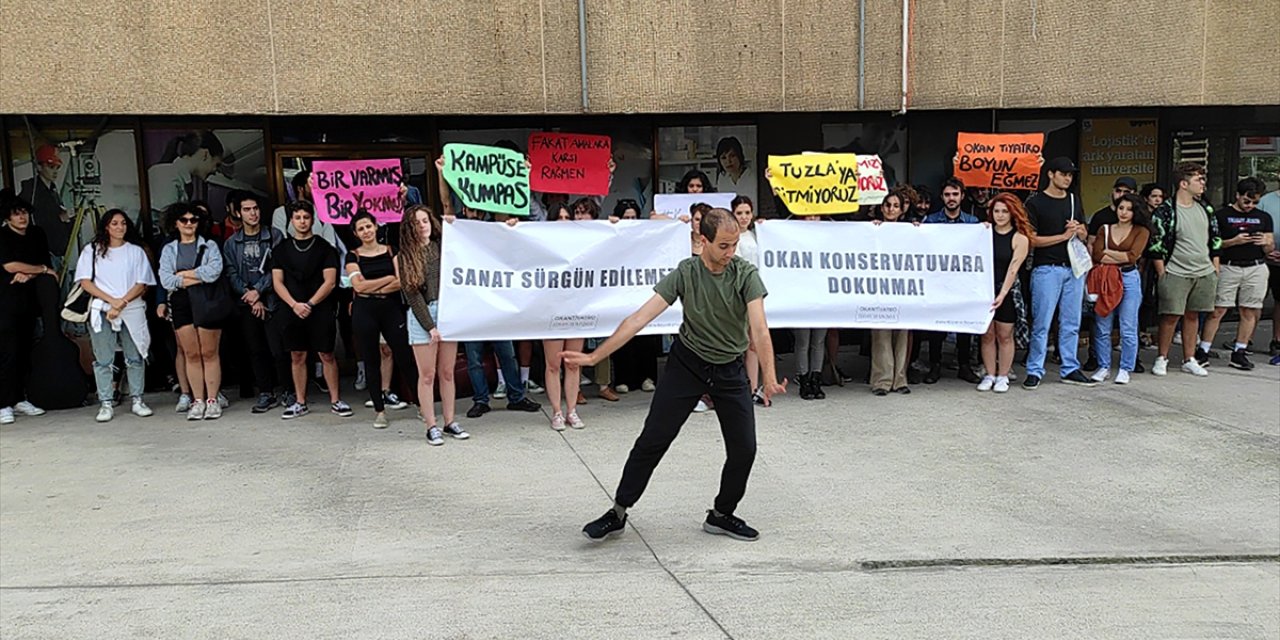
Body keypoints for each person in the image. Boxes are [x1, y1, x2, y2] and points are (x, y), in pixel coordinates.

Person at [571, 208, 786, 543]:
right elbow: (639, 319)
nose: (731, 253)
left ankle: (722, 514)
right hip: (687, 365)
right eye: (724, 246)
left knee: (744, 449)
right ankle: (618, 511)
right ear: (703, 241)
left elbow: (759, 329)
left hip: (729, 370)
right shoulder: (686, 273)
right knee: (652, 440)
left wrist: (769, 377)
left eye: (735, 245)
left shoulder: (746, 275)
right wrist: (595, 355)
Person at [434, 156, 542, 419]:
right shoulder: (457, 223)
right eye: (471, 205)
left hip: (496, 301)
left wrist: (523, 176)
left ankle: (516, 396)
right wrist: (441, 172)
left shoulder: (495, 222)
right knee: (474, 357)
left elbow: (513, 204)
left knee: (507, 353)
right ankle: (481, 400)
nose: (475, 209)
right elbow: (446, 202)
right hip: (470, 302)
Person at [75, 209, 156, 422]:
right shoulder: (91, 250)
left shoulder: (136, 251)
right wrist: (113, 302)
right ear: (106, 227)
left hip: (131, 308)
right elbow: (85, 282)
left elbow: (142, 282)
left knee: (135, 355)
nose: (119, 227)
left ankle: (137, 399)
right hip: (103, 309)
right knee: (103, 359)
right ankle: (106, 402)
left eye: (123, 223)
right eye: (114, 223)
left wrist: (122, 303)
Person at [271, 201, 351, 418]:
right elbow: (277, 282)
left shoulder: (326, 249)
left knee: (326, 353)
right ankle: (300, 401)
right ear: (291, 221)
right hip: (291, 308)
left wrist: (310, 304)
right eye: (298, 218)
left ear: (313, 220)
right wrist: (294, 304)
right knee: (297, 355)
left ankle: (336, 400)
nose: (302, 222)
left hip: (320, 308)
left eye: (306, 217)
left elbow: (330, 281)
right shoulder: (280, 250)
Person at [1022, 157, 1096, 389]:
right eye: (1063, 173)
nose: (1067, 178)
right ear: (1051, 174)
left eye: (1070, 174)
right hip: (1047, 269)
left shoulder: (1074, 200)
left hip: (1072, 269)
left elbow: (1085, 232)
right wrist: (1062, 237)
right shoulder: (1035, 203)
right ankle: (1034, 369)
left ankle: (1070, 367)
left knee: (1071, 322)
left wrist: (1080, 231)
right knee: (1042, 322)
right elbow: (1031, 239)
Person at [398, 204, 467, 446]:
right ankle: (431, 425)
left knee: (448, 372)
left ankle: (449, 421)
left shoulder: (442, 248)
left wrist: (452, 220)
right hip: (423, 315)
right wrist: (430, 326)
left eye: (425, 220)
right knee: (427, 375)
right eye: (416, 222)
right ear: (409, 227)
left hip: (447, 312)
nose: (422, 226)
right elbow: (412, 295)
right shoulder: (405, 256)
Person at [345, 210, 419, 429]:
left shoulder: (390, 251)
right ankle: (379, 410)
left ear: (376, 227)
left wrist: (373, 285)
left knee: (405, 357)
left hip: (391, 308)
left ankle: (421, 406)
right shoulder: (352, 256)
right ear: (356, 233)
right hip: (364, 310)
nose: (366, 231)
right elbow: (357, 286)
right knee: (371, 360)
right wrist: (387, 279)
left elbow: (401, 281)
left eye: (369, 226)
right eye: (361, 229)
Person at [1148, 163, 1222, 377]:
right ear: (1183, 183)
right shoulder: (1167, 210)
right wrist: (1162, 271)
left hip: (1204, 270)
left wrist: (1215, 266)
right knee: (1170, 316)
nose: (1203, 184)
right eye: (1198, 180)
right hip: (1176, 271)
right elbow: (1156, 242)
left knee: (1193, 316)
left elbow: (1215, 237)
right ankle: (1162, 357)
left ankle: (1189, 358)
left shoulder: (1205, 208)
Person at [158, 203, 227, 420]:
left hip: (207, 300)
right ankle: (197, 399)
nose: (189, 224)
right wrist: (196, 277)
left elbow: (214, 272)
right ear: (175, 223)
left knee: (209, 352)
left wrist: (184, 275)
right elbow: (166, 279)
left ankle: (212, 399)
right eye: (184, 220)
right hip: (181, 302)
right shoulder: (169, 249)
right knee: (191, 353)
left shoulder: (210, 245)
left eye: (193, 220)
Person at [1198, 177, 1273, 371]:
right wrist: (1234, 241)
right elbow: (1212, 243)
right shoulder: (1221, 215)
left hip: (1255, 266)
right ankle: (1203, 349)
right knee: (1218, 309)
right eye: (1246, 201)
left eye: (1255, 202)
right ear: (1237, 196)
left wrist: (1266, 243)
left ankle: (1240, 350)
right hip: (1228, 265)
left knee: (1249, 310)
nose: (1250, 206)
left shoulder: (1264, 217)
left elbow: (1269, 247)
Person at [222, 192, 287, 413]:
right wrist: (250, 295)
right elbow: (230, 272)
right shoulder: (232, 242)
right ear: (238, 213)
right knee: (256, 349)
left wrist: (258, 291)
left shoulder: (274, 236)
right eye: (247, 209)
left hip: (272, 300)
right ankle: (266, 393)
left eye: (256, 209)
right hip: (247, 304)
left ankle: (287, 390)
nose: (253, 213)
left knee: (278, 349)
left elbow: (278, 268)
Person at [0, 195, 58, 423]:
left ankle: (18, 399)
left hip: (29, 301)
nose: (22, 217)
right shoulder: (2, 236)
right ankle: (3, 404)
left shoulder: (37, 233)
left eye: (24, 212)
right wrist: (40, 269)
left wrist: (33, 271)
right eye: (16, 213)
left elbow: (47, 264)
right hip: (5, 302)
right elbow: (10, 265)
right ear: (7, 217)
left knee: (25, 351)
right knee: (7, 352)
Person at [921, 177, 982, 384]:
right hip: (938, 281)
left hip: (963, 281)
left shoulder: (973, 223)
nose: (951, 198)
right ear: (942, 197)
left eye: (955, 194)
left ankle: (964, 366)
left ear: (962, 196)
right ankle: (935, 366)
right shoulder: (930, 221)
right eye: (947, 195)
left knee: (964, 323)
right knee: (936, 325)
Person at [1089, 193, 1150, 384]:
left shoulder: (1141, 230)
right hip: (1106, 277)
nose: (1124, 212)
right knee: (1102, 324)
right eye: (1121, 208)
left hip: (1129, 276)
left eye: (1129, 209)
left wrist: (1110, 252)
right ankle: (1104, 366)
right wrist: (1118, 255)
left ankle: (1125, 367)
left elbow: (1132, 257)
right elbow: (1098, 255)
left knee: (1128, 326)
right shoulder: (1104, 229)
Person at [976, 194, 1032, 393]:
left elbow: (1013, 269)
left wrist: (1002, 294)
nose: (1000, 215)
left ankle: (1003, 376)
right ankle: (989, 374)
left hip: (1007, 291)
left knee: (1005, 335)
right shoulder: (983, 233)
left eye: (1004, 211)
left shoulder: (1020, 238)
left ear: (1012, 213)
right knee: (987, 335)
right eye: (996, 211)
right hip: (983, 290)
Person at [869, 188, 919, 396]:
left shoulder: (910, 230)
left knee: (902, 334)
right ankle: (882, 381)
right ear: (881, 208)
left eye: (895, 206)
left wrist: (917, 230)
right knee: (881, 334)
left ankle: (900, 379)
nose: (891, 209)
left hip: (902, 289)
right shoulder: (873, 229)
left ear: (902, 210)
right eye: (887, 205)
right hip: (880, 288)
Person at [148, 131, 224, 226]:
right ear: (205, 154)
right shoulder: (165, 174)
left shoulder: (179, 178)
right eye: (216, 165)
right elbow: (165, 223)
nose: (215, 171)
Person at [18, 144, 72, 265]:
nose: (55, 171)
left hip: (57, 254)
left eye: (57, 167)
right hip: (42, 256)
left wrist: (70, 222)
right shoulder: (30, 192)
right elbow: (28, 221)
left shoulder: (53, 191)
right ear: (38, 167)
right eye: (51, 166)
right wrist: (59, 219)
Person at [713, 136, 755, 201]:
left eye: (732, 156)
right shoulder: (722, 178)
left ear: (739, 156)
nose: (728, 161)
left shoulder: (752, 177)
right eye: (724, 158)